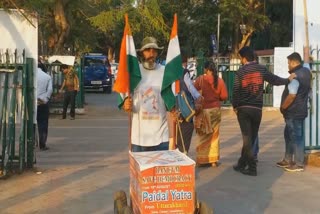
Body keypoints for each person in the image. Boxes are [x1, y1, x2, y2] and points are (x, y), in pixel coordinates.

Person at [232, 46, 295, 176]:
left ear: (244, 58)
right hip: (257, 110)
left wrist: (235, 106)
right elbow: (274, 80)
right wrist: (287, 80)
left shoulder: (240, 72)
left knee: (247, 138)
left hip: (244, 109)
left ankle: (252, 167)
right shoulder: (261, 69)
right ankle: (241, 163)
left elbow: (236, 91)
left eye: (241, 58)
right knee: (251, 137)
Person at [123, 36, 171, 152]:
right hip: (139, 137)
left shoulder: (165, 72)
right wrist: (126, 104)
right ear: (141, 53)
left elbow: (171, 102)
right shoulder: (134, 73)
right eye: (148, 50)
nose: (151, 53)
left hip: (161, 136)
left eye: (154, 50)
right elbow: (126, 99)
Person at [277, 52, 311, 172]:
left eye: (288, 63)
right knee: (288, 135)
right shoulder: (306, 71)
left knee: (296, 137)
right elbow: (307, 62)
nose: (288, 66)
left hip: (293, 112)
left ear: (293, 62)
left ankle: (298, 164)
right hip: (300, 110)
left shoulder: (295, 76)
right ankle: (287, 159)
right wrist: (307, 51)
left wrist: (283, 107)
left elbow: (292, 95)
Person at [192, 61, 228, 167]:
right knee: (214, 135)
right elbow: (224, 96)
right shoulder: (220, 81)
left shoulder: (200, 80)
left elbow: (193, 92)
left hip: (203, 111)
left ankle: (201, 160)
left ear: (206, 69)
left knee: (202, 135)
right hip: (215, 111)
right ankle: (213, 160)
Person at [176, 56, 202, 154]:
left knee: (177, 135)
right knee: (187, 130)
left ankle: (177, 154)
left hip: (174, 108)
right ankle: (183, 155)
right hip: (185, 108)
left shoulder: (170, 72)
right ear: (185, 62)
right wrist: (198, 96)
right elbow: (189, 86)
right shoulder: (184, 72)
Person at [36, 61, 53, 150]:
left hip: (31, 103)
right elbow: (50, 90)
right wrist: (45, 99)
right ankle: (42, 145)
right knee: (43, 124)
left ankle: (31, 143)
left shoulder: (30, 75)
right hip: (42, 103)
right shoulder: (47, 77)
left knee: (30, 124)